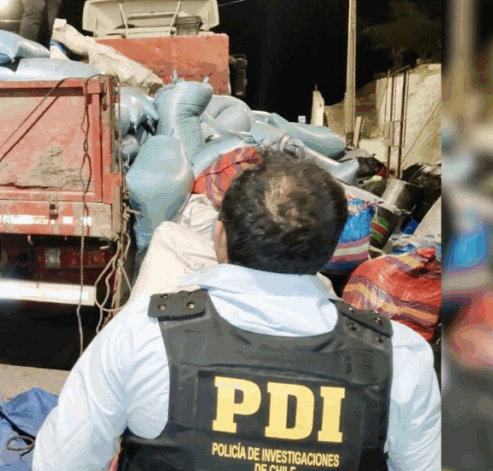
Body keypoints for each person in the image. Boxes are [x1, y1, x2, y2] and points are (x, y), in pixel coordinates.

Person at [32, 149, 441, 471]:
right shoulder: (399, 356)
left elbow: (64, 461)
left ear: (219, 234)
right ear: (333, 248)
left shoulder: (142, 332)